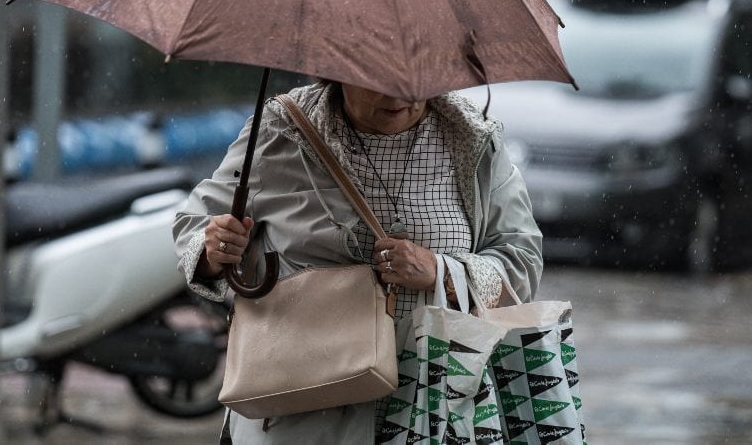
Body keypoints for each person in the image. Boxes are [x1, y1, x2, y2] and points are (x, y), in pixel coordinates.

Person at [173, 80, 543, 443]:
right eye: (377, 80)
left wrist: (440, 272)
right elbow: (196, 224)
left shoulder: (473, 139)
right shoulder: (282, 128)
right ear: (339, 72)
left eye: (411, 80)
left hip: (435, 403)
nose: (398, 95)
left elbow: (521, 259)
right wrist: (215, 249)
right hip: (302, 404)